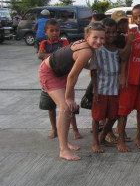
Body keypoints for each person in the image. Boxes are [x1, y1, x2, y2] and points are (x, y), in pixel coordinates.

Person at [38, 23, 105, 161]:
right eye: (95, 37)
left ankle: (65, 142)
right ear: (87, 36)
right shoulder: (86, 51)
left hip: (61, 73)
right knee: (65, 108)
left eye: (102, 38)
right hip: (49, 73)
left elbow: (77, 62)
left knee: (67, 110)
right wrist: (69, 98)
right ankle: (63, 149)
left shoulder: (88, 46)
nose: (99, 41)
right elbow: (73, 76)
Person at [38, 19, 82, 140]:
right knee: (50, 107)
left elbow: (48, 55)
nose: (55, 33)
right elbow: (39, 55)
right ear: (45, 32)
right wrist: (53, 57)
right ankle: (54, 129)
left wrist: (48, 56)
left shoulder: (64, 43)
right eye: (51, 31)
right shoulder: (44, 43)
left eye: (57, 30)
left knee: (69, 105)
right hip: (49, 78)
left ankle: (75, 130)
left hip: (64, 78)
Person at [116, 4, 140, 152]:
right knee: (123, 112)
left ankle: (138, 136)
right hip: (129, 79)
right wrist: (122, 76)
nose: (139, 20)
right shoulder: (130, 34)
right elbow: (123, 57)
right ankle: (121, 140)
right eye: (135, 17)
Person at [89, 18, 121, 153]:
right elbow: (94, 71)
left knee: (114, 116)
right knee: (97, 117)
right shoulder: (98, 49)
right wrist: (95, 90)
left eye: (114, 32)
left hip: (115, 88)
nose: (111, 35)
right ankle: (95, 142)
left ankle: (103, 137)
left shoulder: (118, 48)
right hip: (101, 88)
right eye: (108, 32)